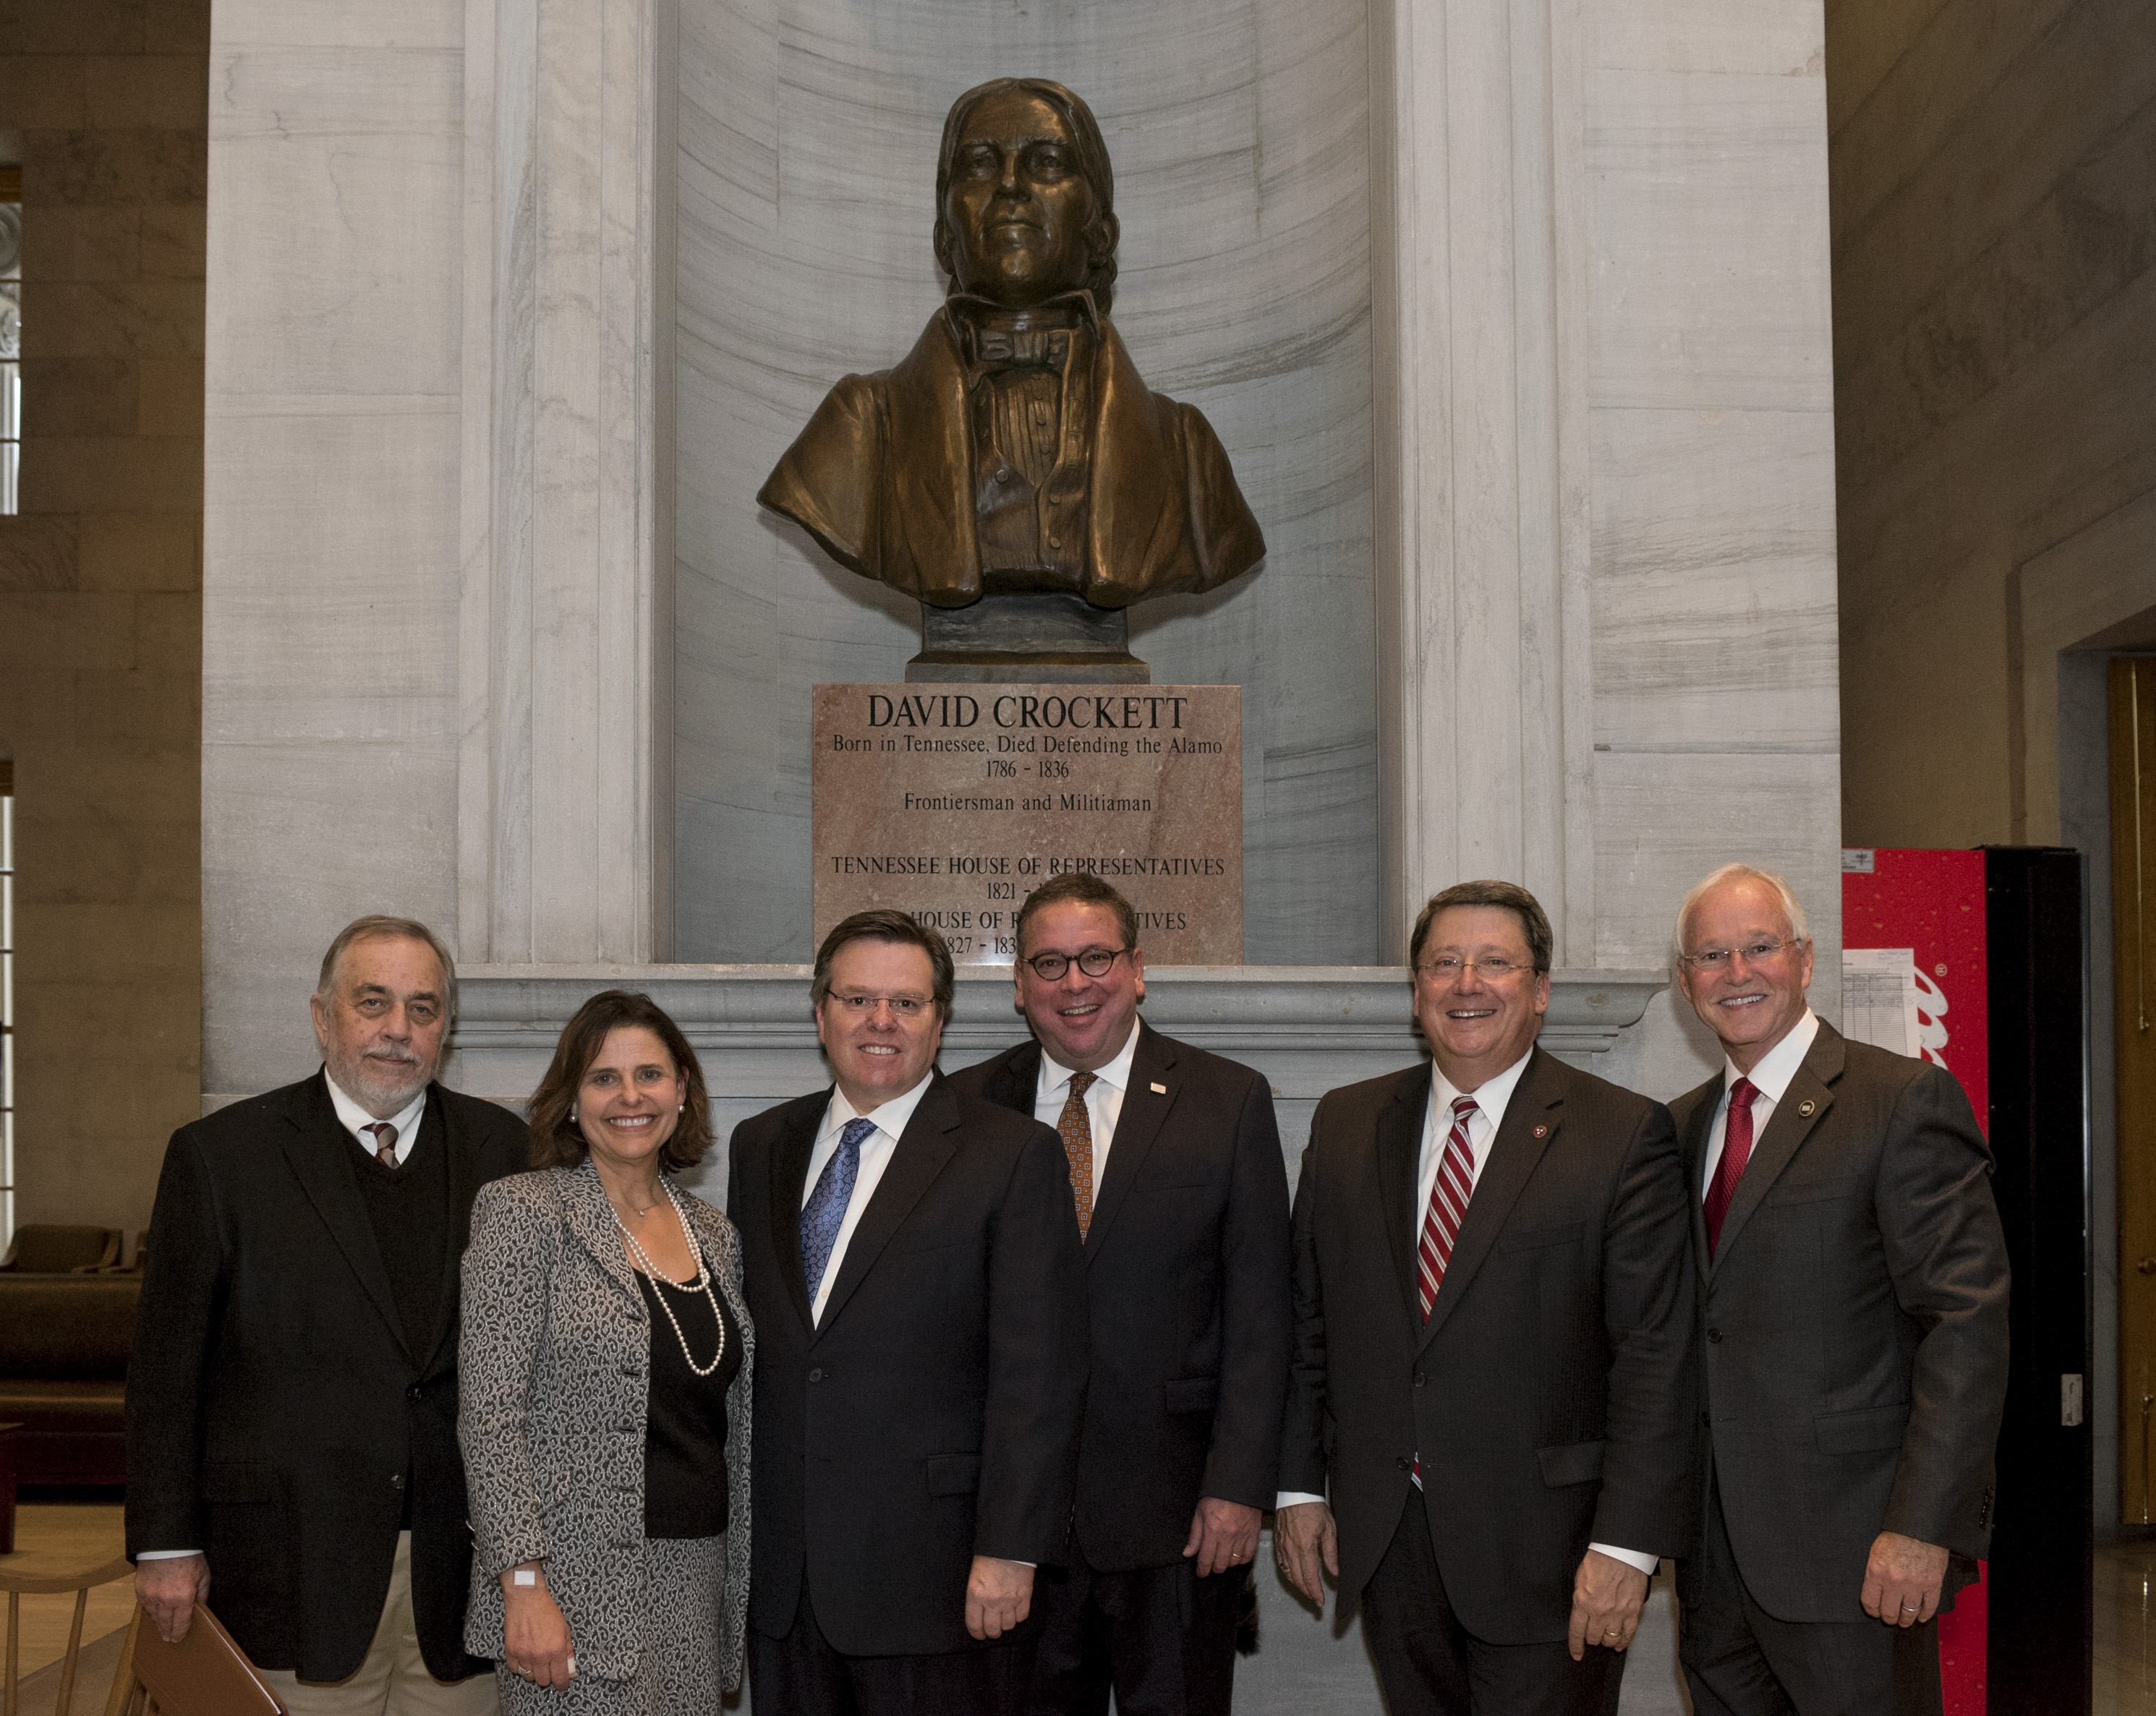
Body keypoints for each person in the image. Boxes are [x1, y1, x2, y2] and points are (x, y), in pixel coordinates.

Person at [1274, 880, 1697, 1716]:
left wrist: (1627, 1546)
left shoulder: (1619, 1134)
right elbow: (1306, 1319)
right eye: (1443, 963)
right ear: (1417, 991)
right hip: (1390, 1542)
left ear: (1538, 991)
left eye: (1494, 963)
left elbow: (1654, 1355)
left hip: (1554, 1556)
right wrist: (1299, 1489)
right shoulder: (1348, 1123)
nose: (1466, 983)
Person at [127, 915, 527, 1713]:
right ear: (322, 1015)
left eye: (423, 1008)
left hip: (461, 1570)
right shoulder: (221, 1156)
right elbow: (169, 1371)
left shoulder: (506, 1151)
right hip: (288, 1559)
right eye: (372, 1002)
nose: (397, 1030)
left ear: (446, 1027)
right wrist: (167, 1544)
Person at [1666, 864, 2011, 1715]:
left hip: (1858, 1558)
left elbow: (1965, 1322)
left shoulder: (1898, 1101)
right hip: (1712, 1568)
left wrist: (1921, 1526)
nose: (1735, 972)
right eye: (1710, 955)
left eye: (1758, 947)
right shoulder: (1674, 1129)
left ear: (1806, 959)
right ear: (1684, 984)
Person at [727, 909, 1091, 1715]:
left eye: (906, 1004)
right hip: (785, 1581)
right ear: (820, 1013)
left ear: (939, 1019)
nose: (879, 1022)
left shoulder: (1010, 1154)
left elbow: (1040, 1372)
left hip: (934, 1576)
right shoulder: (761, 1146)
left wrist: (1010, 1550)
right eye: (857, 999)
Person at [949, 874, 1291, 1716]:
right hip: (1012, 1530)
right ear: (1019, 986)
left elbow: (1261, 1311)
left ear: (1136, 969)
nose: (1075, 984)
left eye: (1095, 958)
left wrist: (1239, 1486)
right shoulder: (961, 1108)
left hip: (1176, 1520)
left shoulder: (1228, 1100)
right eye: (1050, 964)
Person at [759, 77, 1264, 611]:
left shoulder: (1185, 453)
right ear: (942, 236)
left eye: (1047, 162)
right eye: (978, 164)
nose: (1009, 186)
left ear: (1103, 232)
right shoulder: (859, 428)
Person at [457, 989, 753, 1713]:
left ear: (681, 1090)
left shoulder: (714, 1234)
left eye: (649, 1075)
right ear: (570, 1100)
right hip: (568, 1583)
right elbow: (490, 1416)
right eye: (603, 1078)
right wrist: (521, 1584)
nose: (630, 1096)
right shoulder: (521, 1212)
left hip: (696, 1572)